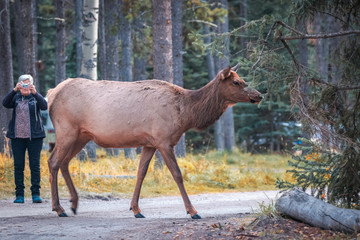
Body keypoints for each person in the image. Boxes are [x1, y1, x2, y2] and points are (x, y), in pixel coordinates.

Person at [2, 74, 48, 203]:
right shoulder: (15, 97)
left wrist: (35, 92)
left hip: (35, 137)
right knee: (18, 166)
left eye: (28, 83)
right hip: (17, 137)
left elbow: (44, 106)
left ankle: (35, 194)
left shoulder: (35, 97)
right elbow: (5, 103)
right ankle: (19, 195)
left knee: (34, 166)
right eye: (23, 83)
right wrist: (14, 90)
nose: (25, 85)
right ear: (19, 84)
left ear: (32, 84)